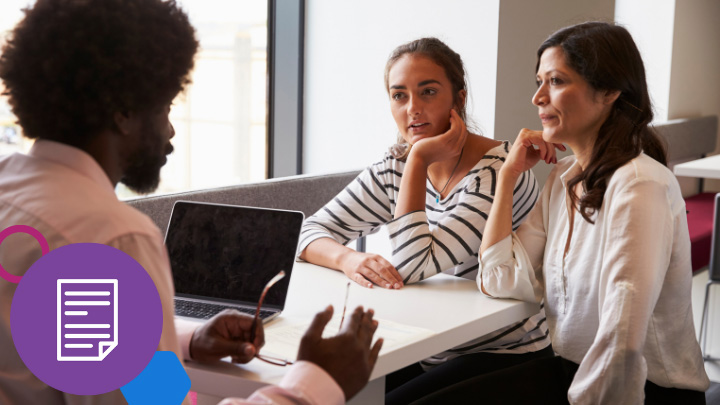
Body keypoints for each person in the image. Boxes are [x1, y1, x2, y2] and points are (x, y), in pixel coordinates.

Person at [0, 1, 381, 404]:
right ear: (124, 113)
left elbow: (68, 350)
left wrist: (185, 340)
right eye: (165, 107)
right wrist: (313, 383)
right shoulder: (109, 237)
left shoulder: (10, 189)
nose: (169, 132)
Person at [418, 22, 710, 404]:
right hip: (570, 370)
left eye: (555, 81)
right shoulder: (563, 179)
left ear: (609, 91)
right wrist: (507, 175)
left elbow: (621, 343)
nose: (538, 97)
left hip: (640, 391)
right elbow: (498, 279)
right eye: (538, 82)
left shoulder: (640, 184)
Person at [298, 37, 552, 404]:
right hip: (431, 348)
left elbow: (415, 264)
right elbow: (307, 232)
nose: (412, 109)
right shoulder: (393, 167)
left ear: (459, 99)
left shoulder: (501, 171)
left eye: (428, 92)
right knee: (333, 393)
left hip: (506, 356)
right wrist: (349, 259)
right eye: (399, 96)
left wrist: (418, 161)